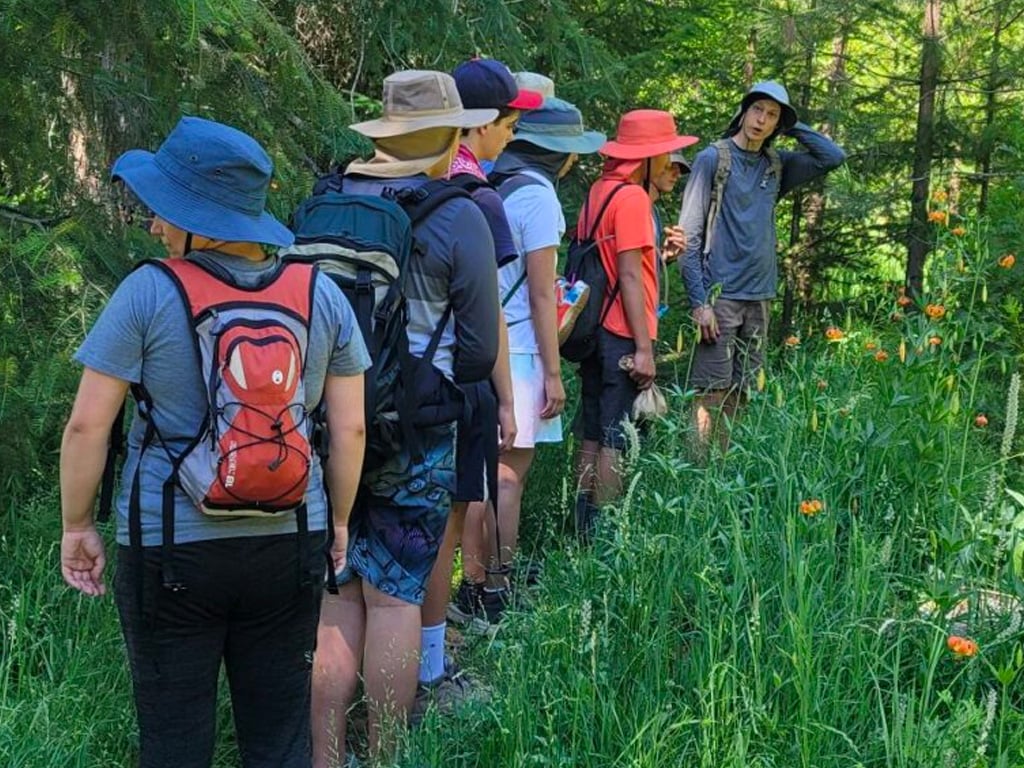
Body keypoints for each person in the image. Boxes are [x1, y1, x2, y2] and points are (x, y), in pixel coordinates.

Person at [59, 116, 369, 768]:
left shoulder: (149, 291)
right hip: (290, 538)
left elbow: (88, 424)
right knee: (279, 735)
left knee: (174, 740)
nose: (155, 225)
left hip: (170, 548)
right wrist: (337, 521)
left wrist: (76, 524)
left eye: (168, 211)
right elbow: (349, 428)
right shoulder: (321, 294)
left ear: (204, 219)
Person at [311, 69, 500, 765]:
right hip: (415, 430)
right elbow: (479, 351)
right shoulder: (460, 214)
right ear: (448, 135)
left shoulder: (326, 199)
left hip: (330, 428)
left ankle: (326, 756)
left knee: (337, 594)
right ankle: (385, 753)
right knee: (393, 599)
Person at [449, 97, 606, 626]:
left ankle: (472, 585)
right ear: (558, 153)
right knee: (509, 478)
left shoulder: (495, 183)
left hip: (483, 348)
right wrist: (555, 373)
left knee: (479, 478)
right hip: (520, 352)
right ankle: (500, 586)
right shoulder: (538, 198)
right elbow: (542, 294)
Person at [416, 57, 542, 705]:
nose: (510, 136)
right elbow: (484, 316)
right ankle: (429, 662)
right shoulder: (478, 199)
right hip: (454, 388)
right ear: (482, 124)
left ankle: (385, 656)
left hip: (375, 385)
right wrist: (506, 401)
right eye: (509, 123)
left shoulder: (398, 182)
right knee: (445, 525)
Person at [678, 81, 846, 454]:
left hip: (760, 296)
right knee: (710, 392)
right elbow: (688, 237)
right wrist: (699, 302)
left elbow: (832, 156)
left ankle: (725, 471)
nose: (761, 120)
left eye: (772, 115)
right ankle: (698, 475)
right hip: (719, 299)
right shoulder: (713, 159)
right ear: (744, 111)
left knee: (744, 391)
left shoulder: (777, 164)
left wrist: (792, 123)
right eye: (758, 110)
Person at [573, 111, 698, 535]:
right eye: (665, 154)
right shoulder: (632, 200)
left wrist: (659, 260)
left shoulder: (600, 191)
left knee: (592, 432)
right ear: (643, 158)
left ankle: (580, 526)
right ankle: (605, 535)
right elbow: (627, 274)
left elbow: (615, 265)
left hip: (594, 331)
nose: (672, 163)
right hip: (622, 334)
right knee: (616, 436)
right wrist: (644, 349)